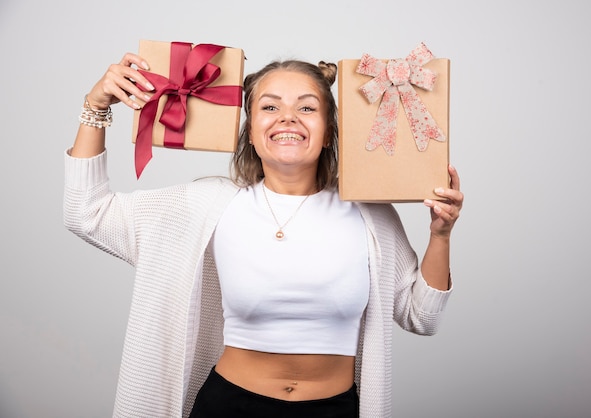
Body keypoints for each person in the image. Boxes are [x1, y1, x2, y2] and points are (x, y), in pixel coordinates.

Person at [64, 51, 463, 418]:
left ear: (328, 133)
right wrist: (95, 107)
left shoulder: (371, 215)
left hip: (336, 410)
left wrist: (440, 235)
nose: (287, 118)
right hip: (229, 407)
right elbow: (87, 212)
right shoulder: (207, 206)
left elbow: (421, 317)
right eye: (269, 107)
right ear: (251, 133)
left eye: (307, 108)